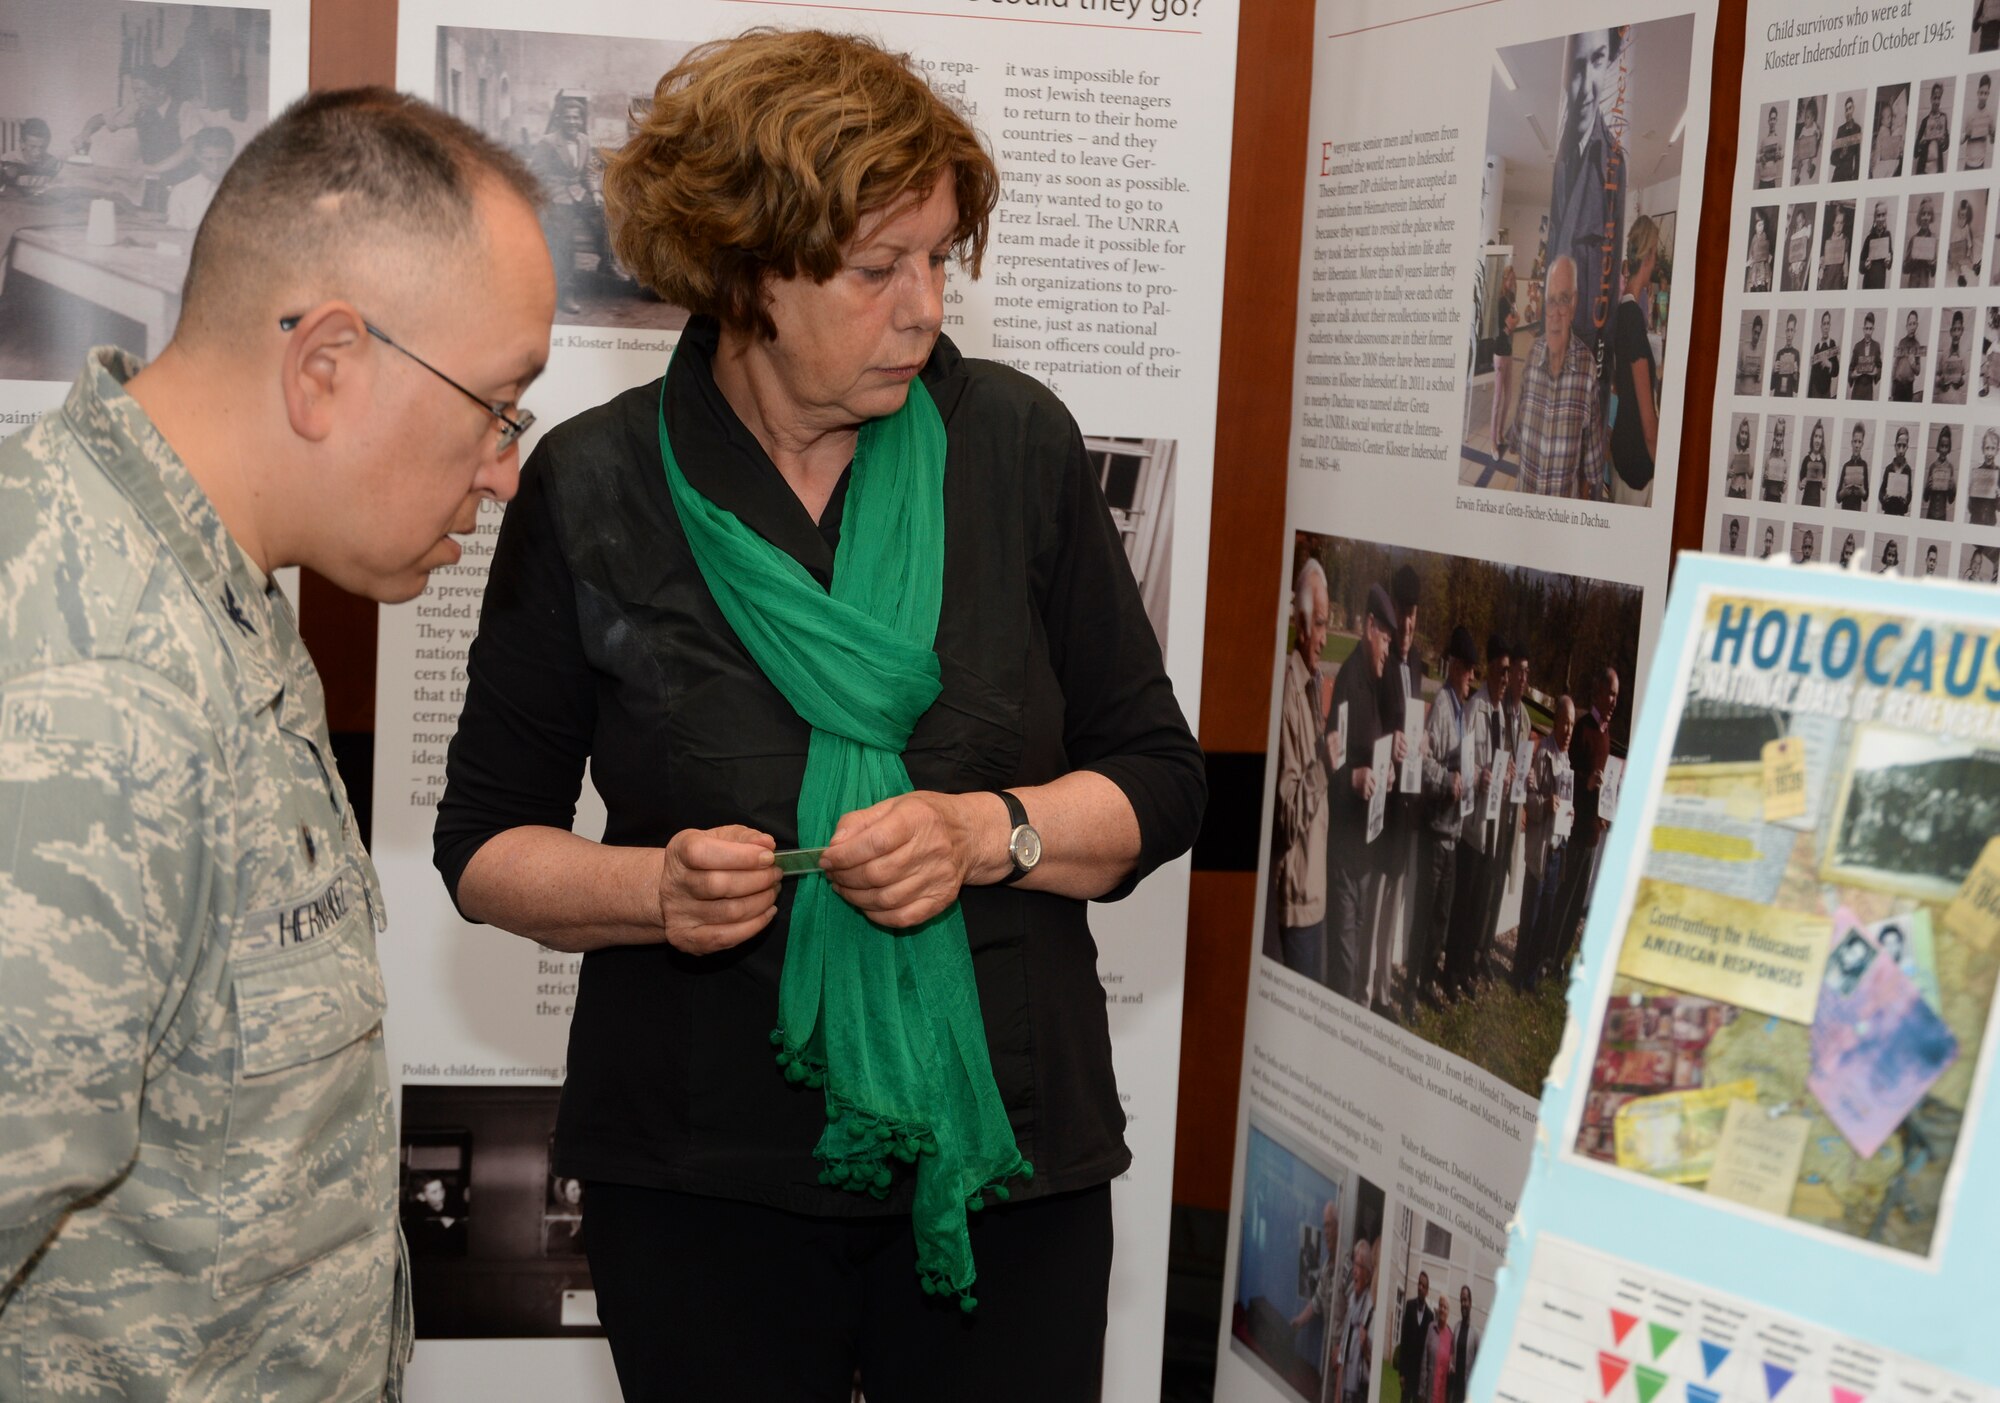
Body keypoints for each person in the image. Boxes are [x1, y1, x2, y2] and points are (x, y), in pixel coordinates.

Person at [431, 33, 1204, 1399]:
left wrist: (990, 830)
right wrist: (650, 888)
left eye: (940, 259)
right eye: (875, 268)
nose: (923, 307)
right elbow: (487, 841)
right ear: (749, 273)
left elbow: (1158, 778)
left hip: (1002, 1159)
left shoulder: (1015, 447)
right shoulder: (596, 483)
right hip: (698, 1175)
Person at [0, 88, 555, 1399]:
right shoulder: (95, 684)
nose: (503, 469)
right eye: (499, 406)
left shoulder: (204, 585)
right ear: (327, 366)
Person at [1405, 628, 1477, 1017]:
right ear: (1455, 668)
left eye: (1471, 670)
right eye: (1467, 669)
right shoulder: (1442, 709)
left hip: (1454, 831)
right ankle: (1410, 993)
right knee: (1424, 915)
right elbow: (1423, 761)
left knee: (1441, 918)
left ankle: (1428, 980)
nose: (1470, 676)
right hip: (1435, 830)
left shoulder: (1463, 712)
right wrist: (1446, 779)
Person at [1328, 587, 1396, 1001]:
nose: (1388, 648)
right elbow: (1331, 762)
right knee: (1346, 960)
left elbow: (1378, 749)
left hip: (1366, 851)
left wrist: (1384, 774)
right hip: (1344, 853)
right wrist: (1353, 778)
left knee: (1357, 958)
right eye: (1386, 638)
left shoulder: (1375, 682)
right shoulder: (1348, 685)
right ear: (1370, 627)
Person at [1371, 566, 1427, 1019]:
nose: (1407, 623)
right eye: (1403, 613)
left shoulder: (1418, 665)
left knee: (1392, 899)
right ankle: (1369, 988)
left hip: (1406, 802)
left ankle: (1384, 990)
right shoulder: (1383, 662)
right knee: (1375, 898)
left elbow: (1414, 722)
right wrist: (1392, 746)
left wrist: (1418, 742)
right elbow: (1372, 732)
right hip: (1381, 801)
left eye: (1413, 614)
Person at [1443, 636, 1507, 1001]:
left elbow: (1498, 763)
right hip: (1471, 827)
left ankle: (1466, 969)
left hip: (1492, 823)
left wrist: (1505, 771)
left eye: (1506, 674)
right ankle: (1451, 974)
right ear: (1489, 673)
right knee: (1463, 905)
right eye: (1499, 672)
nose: (1502, 679)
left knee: (1480, 902)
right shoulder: (1476, 710)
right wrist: (1479, 774)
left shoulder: (1498, 715)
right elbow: (1462, 764)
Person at [1278, 558, 1333, 983]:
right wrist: (1326, 766)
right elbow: (1287, 816)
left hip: (1316, 891)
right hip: (1297, 901)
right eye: (1320, 624)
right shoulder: (1286, 692)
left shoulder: (1310, 686)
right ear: (1299, 623)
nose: (1326, 639)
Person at [1514, 256, 1606, 499]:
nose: (1555, 313)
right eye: (1551, 301)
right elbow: (1519, 430)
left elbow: (1593, 461)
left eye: (1563, 300)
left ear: (1574, 303)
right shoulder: (1532, 355)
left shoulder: (1586, 369)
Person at [1549, 667, 1619, 978]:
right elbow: (1568, 775)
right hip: (1575, 831)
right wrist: (1586, 783)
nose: (1615, 700)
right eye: (1611, 693)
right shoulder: (1584, 728)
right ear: (1599, 693)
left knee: (1577, 903)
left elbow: (1603, 788)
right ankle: (1548, 957)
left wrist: (1604, 813)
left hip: (1593, 833)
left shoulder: (1606, 734)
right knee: (1564, 899)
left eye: (1617, 695)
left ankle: (1559, 958)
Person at [526, 92, 618, 316]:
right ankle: (566, 294)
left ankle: (607, 264)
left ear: (581, 120)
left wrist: (595, 192)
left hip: (579, 193)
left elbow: (588, 172)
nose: (572, 122)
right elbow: (535, 174)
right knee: (564, 242)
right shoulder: (547, 143)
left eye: (576, 118)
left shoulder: (584, 140)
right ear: (560, 118)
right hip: (557, 197)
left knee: (606, 215)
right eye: (568, 118)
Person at [1609, 217, 1658, 506]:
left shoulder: (1623, 311)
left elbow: (1619, 384)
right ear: (1649, 256)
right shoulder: (1632, 320)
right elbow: (1649, 427)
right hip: (1637, 461)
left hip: (1621, 450)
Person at [1287, 1202, 1344, 1403]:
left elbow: (1355, 1318)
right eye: (1324, 1225)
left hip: (1341, 1363)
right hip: (1328, 1360)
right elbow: (1316, 1302)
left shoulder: (1347, 1268)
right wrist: (1298, 1322)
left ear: (1340, 1226)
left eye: (1330, 1225)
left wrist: (1343, 1349)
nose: (1326, 1231)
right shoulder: (1327, 1266)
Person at [165, 125, 235, 230]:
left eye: (221, 159)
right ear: (198, 157)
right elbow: (173, 234)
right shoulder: (182, 191)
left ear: (230, 156)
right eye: (208, 159)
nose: (215, 166)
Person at [1335, 1240, 1376, 1403]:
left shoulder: (1371, 1312)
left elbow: (1374, 1368)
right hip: (1345, 1391)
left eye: (1359, 1266)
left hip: (1359, 1396)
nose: (1354, 1271)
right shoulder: (1351, 1300)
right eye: (1354, 1264)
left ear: (1368, 1274)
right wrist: (1337, 1397)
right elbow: (1342, 1355)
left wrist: (1365, 1347)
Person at [1488, 265, 1519, 457]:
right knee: (1498, 398)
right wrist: (1513, 322)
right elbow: (1509, 324)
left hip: (1509, 350)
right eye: (1509, 279)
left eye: (1513, 280)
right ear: (1504, 280)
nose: (1511, 283)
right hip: (1499, 352)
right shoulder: (1501, 301)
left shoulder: (1512, 299)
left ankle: (1500, 433)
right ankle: (1492, 441)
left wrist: (1513, 322)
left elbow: (1516, 321)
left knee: (1508, 396)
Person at [1396, 1270, 1436, 1403]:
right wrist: (1401, 1373)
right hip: (1407, 1374)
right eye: (1419, 1284)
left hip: (1419, 1379)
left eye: (1423, 1286)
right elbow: (1404, 1340)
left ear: (1427, 1291)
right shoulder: (1409, 1306)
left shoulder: (1430, 1316)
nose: (1420, 1287)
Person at [405, 1176, 469, 1256]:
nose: (441, 1194)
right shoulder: (415, 1213)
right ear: (421, 1197)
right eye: (434, 1192)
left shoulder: (456, 1205)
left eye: (441, 1189)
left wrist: (454, 1226)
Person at [0, 116, 61, 199]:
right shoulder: (6, 160)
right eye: (32, 146)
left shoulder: (53, 163)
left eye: (42, 147)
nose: (38, 152)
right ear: (22, 143)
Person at [1448, 1285, 1482, 1403]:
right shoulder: (1456, 1328)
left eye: (1466, 1300)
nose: (1463, 1303)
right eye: (1461, 1300)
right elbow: (1451, 1354)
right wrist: (1451, 1366)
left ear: (1470, 1303)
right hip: (1454, 1392)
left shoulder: (1475, 1334)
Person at [1419, 1294, 1455, 1403]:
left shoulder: (1451, 1336)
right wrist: (1421, 1391)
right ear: (1438, 1308)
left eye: (1445, 1307)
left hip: (1442, 1396)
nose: (1442, 1310)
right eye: (1441, 1306)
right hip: (1429, 1392)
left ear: (1448, 1312)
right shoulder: (1431, 1328)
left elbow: (1451, 1363)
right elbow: (1424, 1361)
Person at [1915, 83, 1951, 173]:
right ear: (1931, 99)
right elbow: (1915, 152)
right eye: (1935, 98)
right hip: (1924, 169)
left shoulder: (1943, 118)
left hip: (1937, 169)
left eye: (1939, 98)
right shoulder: (1925, 121)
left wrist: (1944, 141)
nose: (1936, 102)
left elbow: (1946, 146)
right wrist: (1921, 143)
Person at [1923, 426, 1958, 520]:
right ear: (1938, 446)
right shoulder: (1933, 466)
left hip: (1942, 515)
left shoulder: (1950, 468)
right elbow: (1926, 498)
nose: (1943, 450)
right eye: (1941, 446)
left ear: (1949, 448)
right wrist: (1927, 488)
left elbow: (1950, 500)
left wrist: (1953, 489)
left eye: (1946, 447)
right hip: (1931, 513)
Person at [1891, 311, 1926, 401]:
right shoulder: (1901, 342)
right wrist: (1892, 387)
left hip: (1908, 388)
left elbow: (1918, 371)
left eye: (1914, 324)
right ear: (1906, 326)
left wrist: (1913, 364)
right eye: (1910, 324)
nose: (1912, 327)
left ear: (1917, 325)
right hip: (1898, 386)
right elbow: (1895, 365)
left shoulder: (1917, 346)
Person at [1936, 309, 1970, 402]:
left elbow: (1965, 375)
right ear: (1950, 332)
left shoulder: (1963, 355)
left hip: (1956, 398)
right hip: (1943, 397)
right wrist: (1941, 382)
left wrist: (1960, 381)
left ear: (1962, 331)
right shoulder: (1944, 354)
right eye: (1954, 329)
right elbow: (1938, 374)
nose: (1956, 334)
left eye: (1958, 329)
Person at [1880, 426, 1915, 514]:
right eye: (1899, 445)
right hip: (1888, 511)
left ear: (1907, 447)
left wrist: (1906, 500)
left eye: (1904, 446)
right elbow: (1881, 491)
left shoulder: (1907, 470)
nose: (1901, 450)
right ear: (1895, 446)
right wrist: (1883, 498)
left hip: (1900, 513)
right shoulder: (1889, 469)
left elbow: (1909, 492)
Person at [1904, 199, 1939, 288]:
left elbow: (1933, 273)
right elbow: (1905, 269)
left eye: (1928, 214)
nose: (1926, 218)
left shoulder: (1933, 239)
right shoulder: (1913, 239)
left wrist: (1932, 264)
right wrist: (1913, 260)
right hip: (1912, 285)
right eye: (1923, 214)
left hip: (1924, 285)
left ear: (1931, 217)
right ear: (1919, 217)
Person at [1860, 203, 1895, 288]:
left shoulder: (1888, 235)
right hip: (1868, 282)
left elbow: (1890, 260)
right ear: (1875, 218)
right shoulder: (1869, 238)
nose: (1881, 219)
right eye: (1878, 215)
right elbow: (1860, 265)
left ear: (1886, 216)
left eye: (1883, 215)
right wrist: (1865, 265)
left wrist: (1889, 261)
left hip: (1880, 282)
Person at [1848, 312, 1882, 398]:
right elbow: (1851, 368)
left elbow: (1880, 366)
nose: (1868, 332)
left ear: (1873, 329)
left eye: (1870, 329)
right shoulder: (1857, 346)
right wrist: (1853, 374)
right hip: (1857, 389)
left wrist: (1876, 372)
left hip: (1868, 390)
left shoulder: (1876, 346)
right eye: (1866, 328)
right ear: (1863, 329)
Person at [1837, 424, 1870, 509]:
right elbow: (1838, 498)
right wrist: (1843, 492)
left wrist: (1862, 492)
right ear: (1851, 443)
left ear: (1862, 444)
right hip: (1844, 510)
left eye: (1859, 442)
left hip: (1856, 511)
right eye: (1855, 441)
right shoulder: (1846, 466)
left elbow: (1866, 497)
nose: (1857, 445)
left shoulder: (1864, 465)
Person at [1949, 198, 1982, 286]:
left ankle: (1975, 267)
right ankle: (1960, 277)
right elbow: (1951, 242)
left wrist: (1969, 249)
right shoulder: (1955, 228)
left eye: (1964, 216)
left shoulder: (1967, 227)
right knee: (1955, 265)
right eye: (1960, 216)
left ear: (1967, 217)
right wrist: (1951, 252)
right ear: (1958, 215)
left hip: (1963, 252)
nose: (1962, 219)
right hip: (1956, 253)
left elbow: (1969, 240)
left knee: (1967, 261)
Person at [1965, 76, 1996, 169]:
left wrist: (1994, 135)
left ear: (1988, 94)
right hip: (1968, 162)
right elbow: (1961, 140)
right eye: (1981, 93)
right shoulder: (1970, 113)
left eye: (1986, 93)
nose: (1983, 97)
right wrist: (1967, 134)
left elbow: (1992, 140)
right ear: (1978, 93)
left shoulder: (1990, 116)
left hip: (1980, 164)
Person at [1872, 92, 1905, 178]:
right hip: (1879, 161)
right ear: (1882, 121)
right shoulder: (1883, 130)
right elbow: (1887, 146)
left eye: (1891, 117)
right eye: (1888, 117)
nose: (1890, 120)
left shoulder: (1886, 128)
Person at [1782, 204, 1814, 292]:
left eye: (1800, 221)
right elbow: (1792, 243)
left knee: (1799, 268)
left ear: (1803, 221)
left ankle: (1798, 280)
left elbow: (1808, 234)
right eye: (1797, 221)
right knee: (1792, 268)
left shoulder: (1805, 230)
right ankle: (1793, 281)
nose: (1798, 224)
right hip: (1794, 255)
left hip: (1800, 255)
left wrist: (1810, 226)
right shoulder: (1795, 233)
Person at [1970, 430, 2000, 525]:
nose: (1989, 453)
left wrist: (1999, 496)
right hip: (1975, 521)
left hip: (1990, 522)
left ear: (1997, 451)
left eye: (1993, 448)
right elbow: (1970, 508)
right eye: (1987, 448)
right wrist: (1971, 492)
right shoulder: (1977, 473)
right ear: (1983, 449)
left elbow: (1999, 508)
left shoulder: (1999, 473)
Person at [1831, 95, 1864, 181]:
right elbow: (1832, 159)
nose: (1848, 112)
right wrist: (1841, 155)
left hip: (1849, 176)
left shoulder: (1857, 129)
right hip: (1838, 174)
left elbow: (1857, 156)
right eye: (1846, 109)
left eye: (1850, 108)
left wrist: (1856, 178)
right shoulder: (1840, 130)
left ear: (1853, 109)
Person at [1808, 313, 1840, 398]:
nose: (1826, 327)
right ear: (1821, 326)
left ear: (1829, 326)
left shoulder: (1832, 344)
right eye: (1824, 324)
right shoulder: (1817, 347)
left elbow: (1836, 371)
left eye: (1828, 323)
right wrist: (1809, 395)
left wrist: (1829, 364)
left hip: (1826, 391)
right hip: (1815, 391)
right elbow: (1813, 374)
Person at [1797, 419, 1828, 506]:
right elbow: (1800, 485)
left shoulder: (1823, 461)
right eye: (1816, 436)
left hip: (1817, 503)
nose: (1818, 440)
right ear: (1812, 438)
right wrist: (1801, 484)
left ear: (1822, 441)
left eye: (1820, 437)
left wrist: (1824, 485)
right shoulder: (1806, 460)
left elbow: (1823, 486)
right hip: (1806, 502)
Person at [1769, 313, 1801, 396]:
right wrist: (1772, 371)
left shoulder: (1796, 354)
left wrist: (1795, 374)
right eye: (1788, 330)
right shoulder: (1779, 353)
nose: (1789, 334)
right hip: (1777, 395)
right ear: (1785, 332)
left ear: (1794, 332)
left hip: (1788, 396)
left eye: (1792, 330)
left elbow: (1796, 389)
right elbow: (1771, 386)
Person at [1819, 205, 1851, 289]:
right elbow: (1823, 259)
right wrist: (1820, 275)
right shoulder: (1828, 241)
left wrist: (1846, 274)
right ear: (1833, 224)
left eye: (1841, 223)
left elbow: (1846, 259)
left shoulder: (1845, 240)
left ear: (1844, 224)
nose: (1839, 226)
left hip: (1838, 276)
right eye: (1837, 223)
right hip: (1828, 275)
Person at [1792, 97, 1822, 183]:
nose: (1805, 120)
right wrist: (1801, 139)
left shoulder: (1815, 127)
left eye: (1808, 118)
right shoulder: (1804, 129)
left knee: (1810, 159)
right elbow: (1800, 139)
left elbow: (1818, 134)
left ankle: (1810, 169)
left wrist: (1817, 135)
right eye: (1805, 117)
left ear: (1813, 118)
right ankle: (1797, 176)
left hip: (1810, 151)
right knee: (1799, 163)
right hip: (1803, 151)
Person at [1736, 314, 1766, 395]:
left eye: (1758, 334)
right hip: (1741, 392)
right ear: (1752, 330)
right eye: (1755, 332)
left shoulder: (1760, 352)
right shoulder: (1744, 349)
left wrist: (1758, 375)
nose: (1756, 336)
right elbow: (1736, 374)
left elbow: (1759, 379)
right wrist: (1741, 372)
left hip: (1753, 393)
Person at [1761, 418, 1789, 502]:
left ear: (1783, 437)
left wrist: (1785, 482)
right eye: (1777, 435)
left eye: (1780, 435)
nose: (1778, 439)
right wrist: (1764, 478)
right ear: (1774, 436)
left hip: (1777, 499)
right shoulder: (1768, 458)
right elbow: (1763, 485)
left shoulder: (1784, 460)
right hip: (1767, 498)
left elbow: (1783, 491)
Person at [1755, 106, 1784, 188]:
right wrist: (1761, 157)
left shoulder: (1778, 139)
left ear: (1776, 121)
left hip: (1772, 182)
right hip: (1762, 181)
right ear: (1768, 121)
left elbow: (1783, 153)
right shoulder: (1763, 139)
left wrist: (1780, 154)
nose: (1772, 121)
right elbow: (1756, 158)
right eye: (1771, 119)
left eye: (1774, 119)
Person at [1725, 418, 1755, 497]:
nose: (1744, 436)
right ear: (1739, 434)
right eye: (1742, 433)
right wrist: (1728, 473)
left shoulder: (1748, 453)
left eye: (1746, 433)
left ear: (1748, 436)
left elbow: (1750, 475)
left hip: (1742, 492)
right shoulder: (1734, 451)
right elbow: (1726, 472)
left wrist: (1749, 460)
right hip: (1733, 490)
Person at [1747, 210, 1774, 292]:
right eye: (1759, 225)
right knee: (1754, 286)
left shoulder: (1766, 237)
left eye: (1762, 224)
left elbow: (1769, 252)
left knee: (1763, 286)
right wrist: (1750, 262)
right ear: (1755, 226)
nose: (1761, 227)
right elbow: (1751, 252)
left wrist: (1768, 259)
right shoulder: (1753, 238)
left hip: (1764, 267)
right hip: (1755, 267)